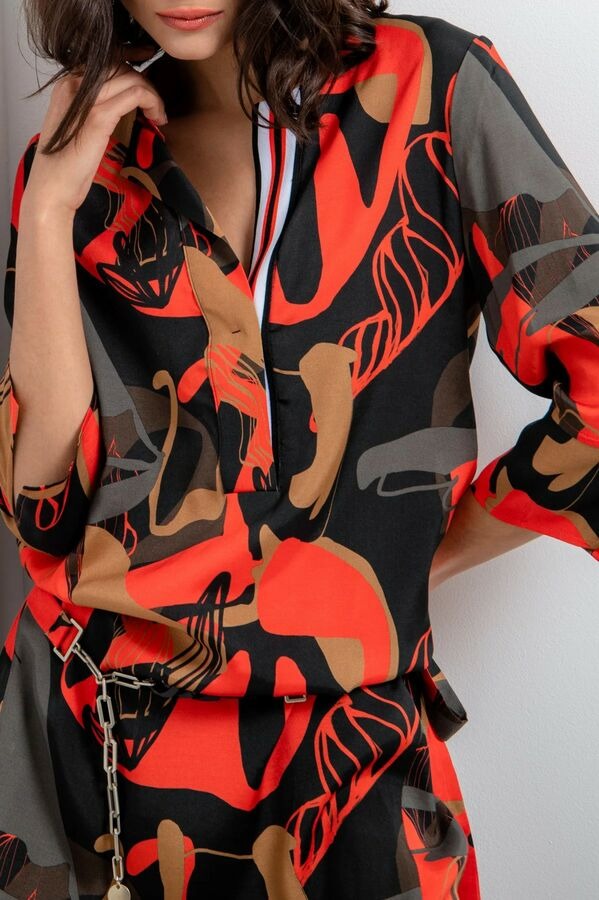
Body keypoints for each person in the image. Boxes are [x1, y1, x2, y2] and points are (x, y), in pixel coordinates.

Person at [0, 0, 597, 897]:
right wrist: (49, 208)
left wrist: (412, 561)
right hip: (94, 758)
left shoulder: (430, 89)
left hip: (347, 770)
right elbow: (42, 518)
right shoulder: (90, 158)